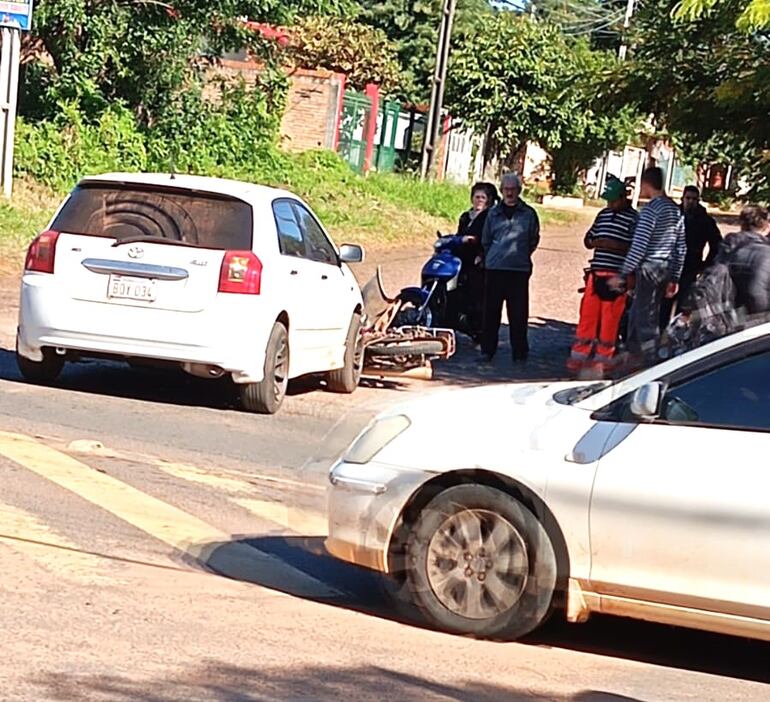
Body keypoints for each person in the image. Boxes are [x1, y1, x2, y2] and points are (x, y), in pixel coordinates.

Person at [609, 167, 686, 364]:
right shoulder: (675, 210)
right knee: (639, 313)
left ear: (646, 184)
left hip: (650, 267)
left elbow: (640, 245)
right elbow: (681, 246)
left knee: (644, 319)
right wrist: (675, 276)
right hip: (665, 268)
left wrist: (623, 272)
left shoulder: (650, 210)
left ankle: (651, 361)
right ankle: (632, 358)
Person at [568, 175, 638, 372]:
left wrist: (614, 246)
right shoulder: (603, 215)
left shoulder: (634, 219)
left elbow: (636, 247)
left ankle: (603, 359)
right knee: (587, 318)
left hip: (617, 276)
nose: (610, 204)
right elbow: (588, 238)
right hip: (596, 273)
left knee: (610, 320)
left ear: (624, 198)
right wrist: (596, 243)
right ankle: (579, 355)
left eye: (613, 200)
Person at [479, 172, 540, 363]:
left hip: (519, 270)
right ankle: (487, 350)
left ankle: (520, 352)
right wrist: (494, 255)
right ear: (501, 191)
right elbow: (486, 240)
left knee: (519, 314)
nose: (510, 193)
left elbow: (533, 239)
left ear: (519, 191)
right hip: (495, 268)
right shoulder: (493, 213)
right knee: (490, 313)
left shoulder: (529, 214)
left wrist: (520, 254)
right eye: (506, 189)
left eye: (513, 189)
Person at [659, 185, 722, 329]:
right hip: (670, 266)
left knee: (684, 306)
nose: (691, 202)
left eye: (694, 199)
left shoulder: (705, 221)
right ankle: (660, 335)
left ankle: (678, 337)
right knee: (664, 305)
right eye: (688, 198)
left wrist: (705, 265)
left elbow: (717, 244)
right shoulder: (674, 215)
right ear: (683, 198)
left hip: (691, 268)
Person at [715, 204, 770, 315]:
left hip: (721, 313)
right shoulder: (766, 253)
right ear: (767, 227)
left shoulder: (726, 246)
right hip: (753, 318)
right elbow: (758, 295)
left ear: (742, 225)